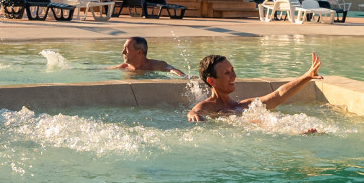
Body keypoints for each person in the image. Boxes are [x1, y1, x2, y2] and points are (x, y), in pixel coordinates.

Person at [187, 52, 322, 122]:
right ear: (212, 81)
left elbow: (279, 95)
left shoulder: (243, 105)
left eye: (232, 70)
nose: (234, 76)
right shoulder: (208, 107)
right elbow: (195, 112)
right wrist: (192, 114)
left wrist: (307, 76)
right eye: (227, 73)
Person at [111, 36, 185, 77]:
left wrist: (184, 76)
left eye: (126, 50)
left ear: (139, 52)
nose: (123, 52)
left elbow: (171, 70)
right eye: (123, 49)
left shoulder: (155, 65)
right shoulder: (124, 67)